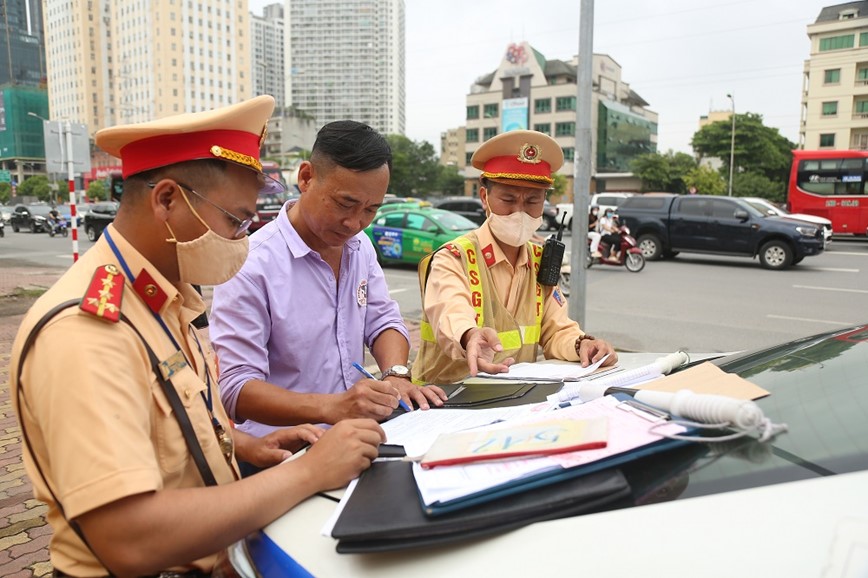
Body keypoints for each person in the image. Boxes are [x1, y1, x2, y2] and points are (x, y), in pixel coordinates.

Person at [10, 96, 384, 577]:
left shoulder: (166, 298)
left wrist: (243, 447)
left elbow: (177, 434)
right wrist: (310, 472)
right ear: (166, 199)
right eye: (234, 221)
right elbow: (129, 539)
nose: (241, 241)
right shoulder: (87, 330)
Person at [209, 120, 447, 450]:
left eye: (371, 209)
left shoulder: (359, 246)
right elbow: (236, 389)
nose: (355, 223)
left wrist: (394, 375)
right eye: (344, 204)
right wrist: (331, 407)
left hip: (356, 439)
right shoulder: (251, 264)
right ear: (306, 178)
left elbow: (383, 321)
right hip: (286, 451)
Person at [414, 129, 618, 384]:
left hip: (513, 402)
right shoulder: (454, 258)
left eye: (532, 201)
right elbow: (450, 310)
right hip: (446, 400)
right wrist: (469, 335)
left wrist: (583, 345)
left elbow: (556, 330)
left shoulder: (541, 262)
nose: (519, 212)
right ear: (484, 197)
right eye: (508, 199)